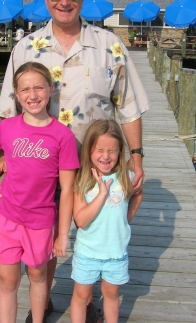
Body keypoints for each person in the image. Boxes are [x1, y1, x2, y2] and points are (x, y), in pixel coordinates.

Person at [0, 0, 150, 323]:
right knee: (43, 229)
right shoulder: (26, 46)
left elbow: (129, 106)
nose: (65, 0)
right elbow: (7, 111)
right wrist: (2, 159)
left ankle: (88, 296)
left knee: (92, 228)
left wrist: (136, 157)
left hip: (96, 162)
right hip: (38, 164)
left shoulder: (109, 44)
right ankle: (42, 298)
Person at [0, 62, 79, 323]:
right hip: (6, 218)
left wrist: (62, 235)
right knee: (8, 281)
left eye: (39, 87)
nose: (33, 95)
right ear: (17, 95)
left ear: (50, 90)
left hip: (41, 223)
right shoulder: (7, 127)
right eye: (25, 89)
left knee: (38, 276)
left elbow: (67, 190)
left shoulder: (63, 136)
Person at [70, 119, 143, 323]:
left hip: (116, 253)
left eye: (112, 151)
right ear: (89, 150)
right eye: (99, 150)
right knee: (81, 296)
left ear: (120, 151)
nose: (106, 156)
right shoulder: (82, 181)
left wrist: (124, 220)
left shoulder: (126, 177)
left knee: (111, 294)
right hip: (87, 253)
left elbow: (138, 194)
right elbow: (81, 220)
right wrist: (102, 194)